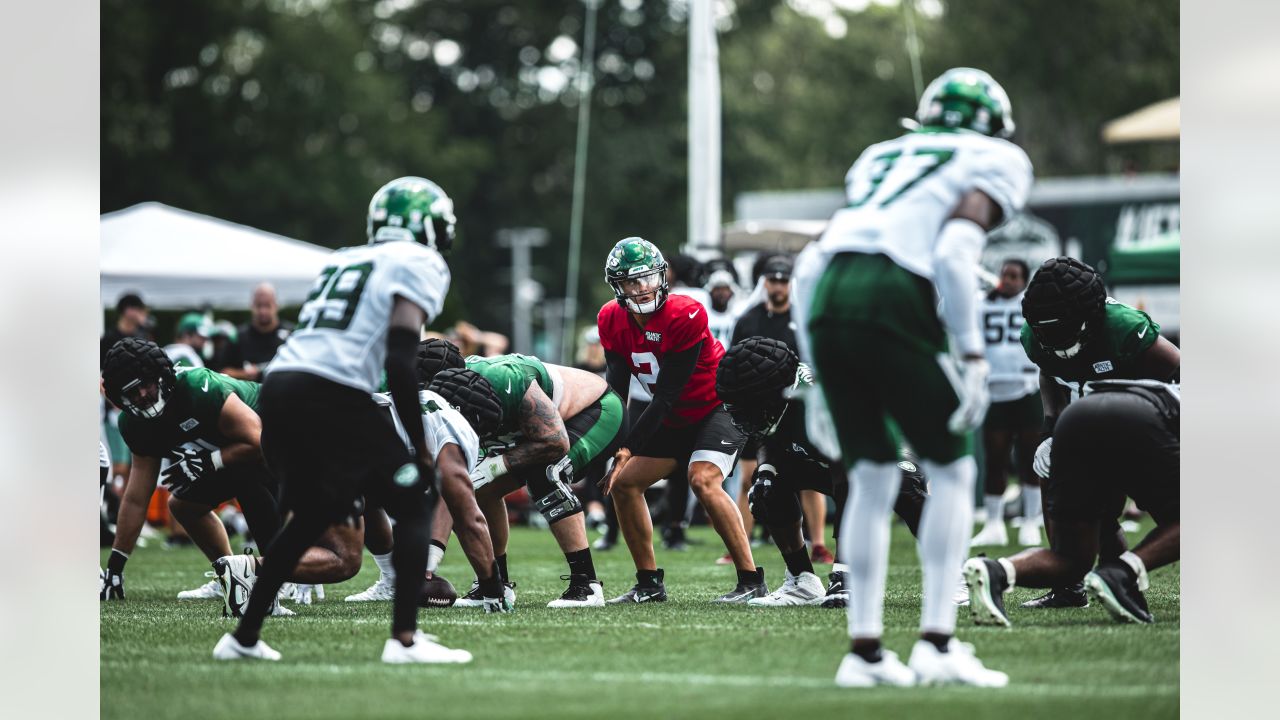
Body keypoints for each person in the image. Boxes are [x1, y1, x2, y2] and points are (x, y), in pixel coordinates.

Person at [801, 67, 1032, 687]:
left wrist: (816, 374)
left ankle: (866, 653)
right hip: (894, 291)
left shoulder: (880, 156)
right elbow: (957, 254)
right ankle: (936, 641)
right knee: (952, 470)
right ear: (995, 125)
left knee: (872, 479)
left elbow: (809, 262)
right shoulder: (997, 157)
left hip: (829, 295)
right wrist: (974, 356)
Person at [211, 176, 468, 664]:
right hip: (331, 390)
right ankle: (405, 641)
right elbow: (398, 355)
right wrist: (420, 445)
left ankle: (242, 639)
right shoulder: (419, 261)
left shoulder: (344, 257)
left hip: (282, 385)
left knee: (311, 517)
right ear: (427, 226)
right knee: (417, 498)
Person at [597, 237, 765, 603]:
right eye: (631, 281)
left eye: (648, 278)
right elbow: (616, 392)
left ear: (663, 277)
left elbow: (666, 395)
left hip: (714, 408)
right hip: (673, 418)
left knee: (702, 479)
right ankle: (648, 584)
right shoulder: (610, 318)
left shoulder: (685, 312)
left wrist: (627, 447)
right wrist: (604, 444)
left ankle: (751, 579)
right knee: (624, 484)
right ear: (617, 287)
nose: (642, 289)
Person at [1013, 256, 1180, 610]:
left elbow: (1179, 370)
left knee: (1179, 519)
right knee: (1060, 480)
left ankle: (1127, 577)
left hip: (1146, 427)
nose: (1055, 340)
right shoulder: (1035, 335)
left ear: (1091, 316)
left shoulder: (1123, 326)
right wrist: (1051, 429)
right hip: (1091, 423)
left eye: (1063, 329)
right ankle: (1075, 585)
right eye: (1047, 332)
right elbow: (1049, 372)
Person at [715, 337, 927, 607]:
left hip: (888, 451)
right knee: (764, 489)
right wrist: (766, 472)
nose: (741, 415)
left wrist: (843, 570)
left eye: (748, 405)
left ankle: (954, 574)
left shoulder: (823, 404)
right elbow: (768, 437)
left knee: (903, 488)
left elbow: (848, 480)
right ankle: (802, 581)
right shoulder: (779, 398)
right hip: (837, 459)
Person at [415, 340, 624, 608]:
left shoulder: (504, 378)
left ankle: (586, 584)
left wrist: (495, 466)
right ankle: (495, 582)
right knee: (474, 490)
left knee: (546, 474)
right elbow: (451, 486)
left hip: (595, 410)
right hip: (535, 431)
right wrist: (428, 566)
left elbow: (555, 442)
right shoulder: (446, 400)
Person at [963, 380, 1179, 626]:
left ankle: (997, 571)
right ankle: (1122, 572)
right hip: (1136, 416)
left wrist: (1048, 433)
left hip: (1072, 416)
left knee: (1072, 558)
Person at [99, 338, 283, 603]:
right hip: (233, 456)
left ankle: (276, 574)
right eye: (132, 392)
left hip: (279, 444)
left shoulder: (198, 388)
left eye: (145, 384)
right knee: (183, 505)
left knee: (247, 476)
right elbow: (137, 497)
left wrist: (211, 461)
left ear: (161, 375)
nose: (142, 396)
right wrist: (115, 566)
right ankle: (232, 574)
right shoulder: (135, 423)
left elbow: (260, 440)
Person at [729, 255, 833, 565]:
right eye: (773, 280)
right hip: (760, 414)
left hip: (798, 410)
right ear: (765, 283)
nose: (778, 285)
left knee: (810, 477)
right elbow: (734, 364)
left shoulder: (803, 317)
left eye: (783, 280)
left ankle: (818, 544)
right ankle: (741, 543)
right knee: (752, 479)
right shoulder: (749, 320)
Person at [972, 258, 1044, 548]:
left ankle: (1030, 521)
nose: (1008, 279)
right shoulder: (981, 302)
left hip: (1027, 387)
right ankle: (993, 523)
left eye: (1014, 275)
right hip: (993, 389)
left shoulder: (1032, 304)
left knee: (1029, 459)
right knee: (995, 459)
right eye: (1005, 274)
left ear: (1024, 280)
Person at [219, 283, 293, 381]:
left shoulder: (291, 334)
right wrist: (244, 374)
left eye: (267, 305)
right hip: (249, 394)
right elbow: (222, 372)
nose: (263, 311)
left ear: (276, 305)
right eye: (259, 305)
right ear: (251, 305)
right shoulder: (238, 336)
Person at [101, 292, 152, 368]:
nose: (144, 315)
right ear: (128, 311)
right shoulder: (108, 338)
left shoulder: (142, 336)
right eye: (140, 310)